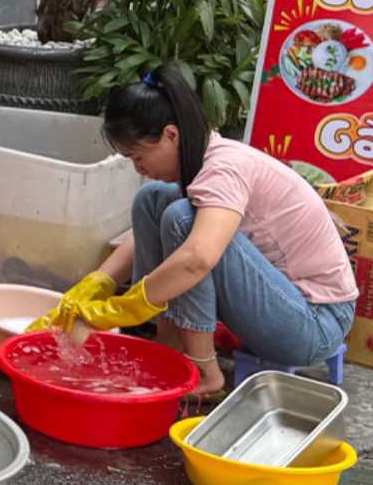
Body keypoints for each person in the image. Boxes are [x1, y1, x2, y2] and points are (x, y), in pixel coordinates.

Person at [39, 63, 356, 398]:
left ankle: (204, 371)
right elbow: (149, 240)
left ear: (170, 135)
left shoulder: (222, 171)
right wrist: (97, 283)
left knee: (182, 220)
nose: (139, 169)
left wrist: (125, 307)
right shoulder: (205, 157)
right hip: (286, 305)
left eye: (138, 157)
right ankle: (168, 346)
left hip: (315, 324)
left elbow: (198, 258)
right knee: (152, 199)